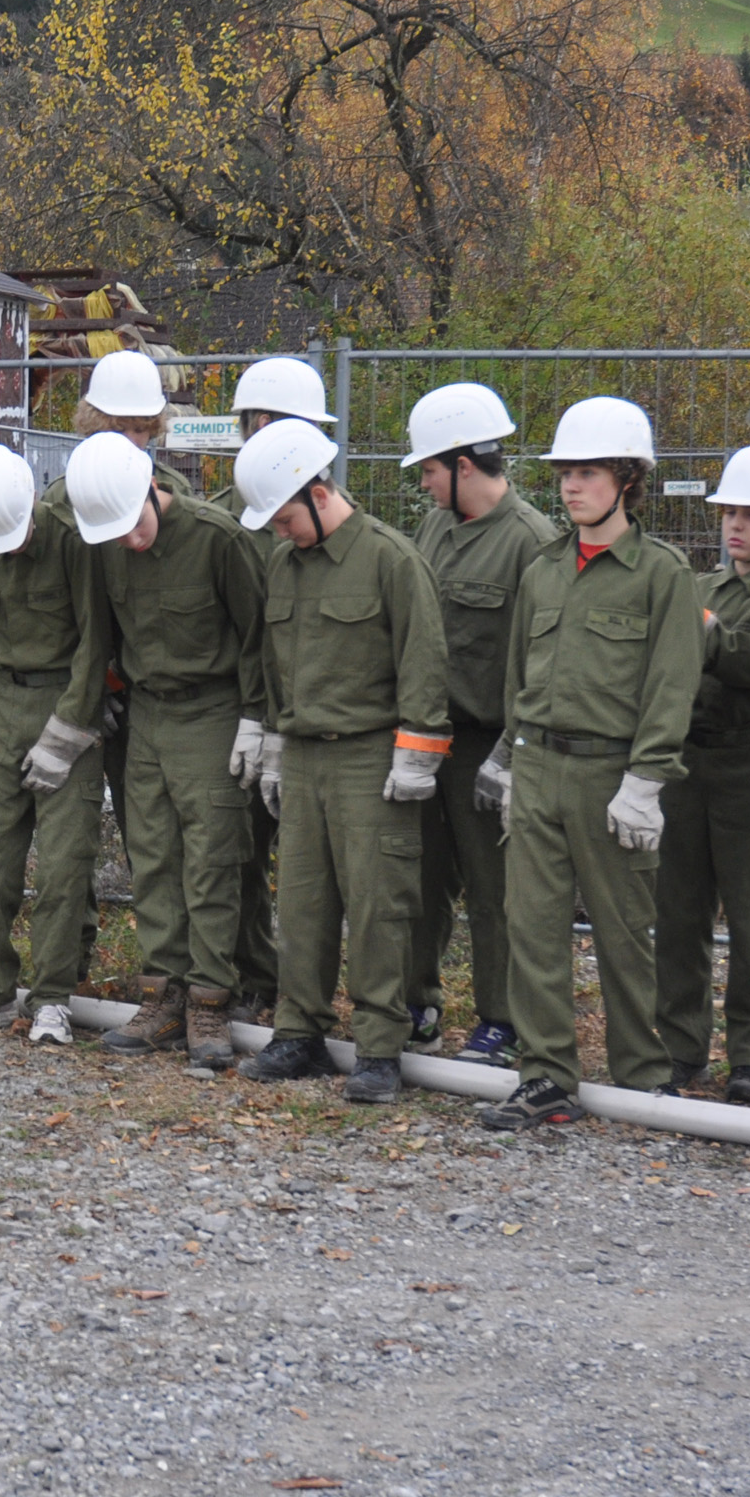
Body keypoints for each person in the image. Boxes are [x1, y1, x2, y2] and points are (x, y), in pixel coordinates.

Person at [473, 397, 700, 1130]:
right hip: (540, 766)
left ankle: (641, 1073)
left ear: (627, 479)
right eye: (565, 473)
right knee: (532, 929)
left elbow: (671, 684)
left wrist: (646, 780)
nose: (571, 486)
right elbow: (519, 673)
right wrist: (509, 759)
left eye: (588, 473)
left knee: (623, 931)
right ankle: (545, 1075)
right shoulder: (543, 569)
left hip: (611, 775)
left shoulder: (660, 574)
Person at [232, 418, 451, 1104]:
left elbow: (423, 660)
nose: (280, 531)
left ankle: (380, 1046)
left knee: (379, 904)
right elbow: (274, 662)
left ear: (319, 494)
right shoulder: (282, 564)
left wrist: (416, 755)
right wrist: (273, 742)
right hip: (303, 758)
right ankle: (299, 1031)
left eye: (285, 517)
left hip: (369, 758)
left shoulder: (390, 560)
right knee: (302, 904)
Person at [68, 429, 270, 1071]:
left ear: (152, 488)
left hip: (212, 710)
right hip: (147, 713)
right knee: (152, 857)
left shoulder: (218, 539)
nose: (130, 541)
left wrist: (257, 718)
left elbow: (259, 635)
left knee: (211, 859)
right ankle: (163, 996)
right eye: (115, 533)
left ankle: (210, 1001)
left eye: (135, 524)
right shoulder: (106, 547)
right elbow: (99, 633)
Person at [399, 382, 557, 1067]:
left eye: (430, 470)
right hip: (423, 738)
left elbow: (542, 664)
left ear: (464, 465)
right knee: (415, 879)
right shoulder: (435, 526)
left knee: (496, 892)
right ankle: (414, 1005)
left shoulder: (532, 543)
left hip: (487, 746)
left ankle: (502, 1021)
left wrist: (512, 755)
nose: (424, 484)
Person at [0, 442, 107, 1045]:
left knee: (62, 866)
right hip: (2, 704)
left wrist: (67, 736)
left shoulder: (72, 542)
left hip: (67, 704)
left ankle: (53, 996)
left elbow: (94, 644)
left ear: (31, 500)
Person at [656, 444, 750, 1101]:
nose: (735, 526)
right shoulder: (700, 589)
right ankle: (678, 1046)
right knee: (676, 911)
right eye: (728, 514)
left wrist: (704, 631)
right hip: (686, 760)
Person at [212, 355, 338, 1022]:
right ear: (255, 423)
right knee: (238, 853)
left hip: (314, 718)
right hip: (240, 715)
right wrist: (250, 717)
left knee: (317, 870)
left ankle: (310, 995)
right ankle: (255, 976)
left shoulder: (333, 521)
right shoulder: (223, 523)